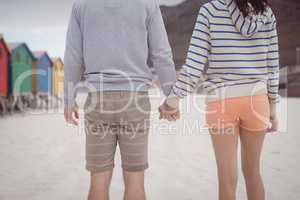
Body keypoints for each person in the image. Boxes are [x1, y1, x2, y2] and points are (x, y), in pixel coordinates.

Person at [160, 0, 279, 199]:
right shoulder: (266, 12)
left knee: (226, 180)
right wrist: (273, 107)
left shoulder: (210, 10)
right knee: (253, 173)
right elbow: (273, 64)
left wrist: (171, 101)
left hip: (221, 101)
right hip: (257, 102)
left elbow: (195, 64)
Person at [63, 0, 177, 199]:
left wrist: (68, 99)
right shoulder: (147, 4)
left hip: (98, 100)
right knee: (135, 183)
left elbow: (73, 55)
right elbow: (161, 53)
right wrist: (172, 96)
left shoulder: (81, 5)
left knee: (98, 183)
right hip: (135, 101)